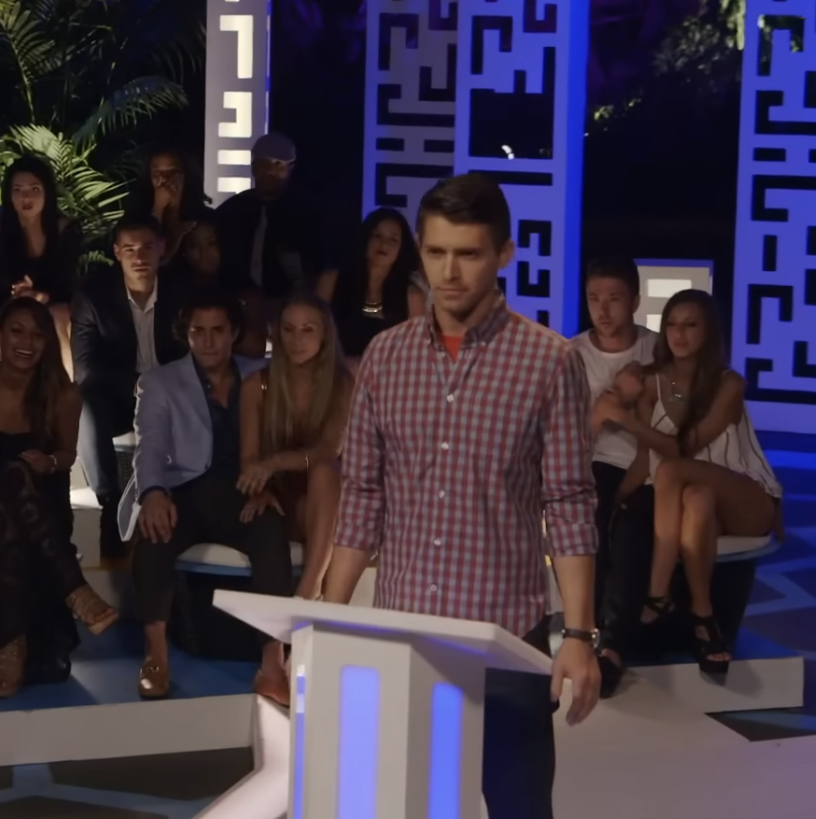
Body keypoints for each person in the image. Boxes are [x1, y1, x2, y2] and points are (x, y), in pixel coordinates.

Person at [321, 174, 599, 819]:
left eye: (469, 254)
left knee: (519, 808)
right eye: (436, 252)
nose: (449, 272)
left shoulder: (549, 362)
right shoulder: (385, 357)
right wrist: (332, 617)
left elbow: (569, 503)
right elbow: (362, 495)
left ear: (503, 254)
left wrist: (580, 634)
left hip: (505, 639)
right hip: (404, 638)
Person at [0, 298, 119, 697]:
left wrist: (49, 462)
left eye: (37, 335)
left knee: (17, 497)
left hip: (41, 498)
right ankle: (74, 589)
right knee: (8, 495)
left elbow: (67, 455)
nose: (27, 343)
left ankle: (11, 646)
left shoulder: (63, 395)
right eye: (17, 331)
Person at [597, 289, 783, 677]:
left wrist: (623, 419)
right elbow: (645, 459)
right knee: (695, 498)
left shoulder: (729, 383)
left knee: (671, 471)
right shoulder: (652, 383)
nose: (678, 334)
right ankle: (703, 617)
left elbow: (683, 448)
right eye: (672, 325)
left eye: (690, 325)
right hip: (697, 497)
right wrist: (615, 503)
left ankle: (658, 593)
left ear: (708, 331)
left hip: (746, 496)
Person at [120, 288, 292, 703]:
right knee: (154, 534)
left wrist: (268, 487)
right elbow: (149, 446)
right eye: (199, 331)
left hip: (243, 492)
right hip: (183, 490)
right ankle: (156, 655)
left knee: (271, 534)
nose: (209, 341)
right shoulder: (160, 382)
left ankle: (273, 665)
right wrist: (153, 492)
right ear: (187, 334)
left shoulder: (261, 374)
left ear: (234, 333)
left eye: (218, 330)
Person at [71, 214, 189, 559]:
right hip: (120, 395)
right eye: (130, 249)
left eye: (147, 248)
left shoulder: (182, 290)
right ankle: (109, 504)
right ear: (116, 252)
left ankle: (180, 500)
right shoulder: (94, 294)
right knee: (86, 403)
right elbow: (86, 368)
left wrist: (162, 387)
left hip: (172, 392)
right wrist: (140, 384)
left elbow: (196, 354)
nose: (139, 257)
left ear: (162, 249)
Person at [566, 257, 658, 696]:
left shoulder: (657, 350)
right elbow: (567, 437)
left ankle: (614, 645)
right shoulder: (571, 355)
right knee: (593, 515)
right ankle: (588, 630)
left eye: (614, 299)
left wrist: (623, 409)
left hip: (649, 463)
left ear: (635, 301)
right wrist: (607, 407)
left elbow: (675, 421)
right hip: (591, 462)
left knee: (634, 522)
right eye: (593, 299)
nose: (602, 310)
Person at [238, 295, 352, 601]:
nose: (296, 340)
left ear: (325, 334)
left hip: (329, 498)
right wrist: (259, 489)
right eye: (288, 330)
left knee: (325, 472)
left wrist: (274, 463)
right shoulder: (257, 384)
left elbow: (329, 450)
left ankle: (307, 591)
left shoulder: (342, 384)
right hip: (279, 499)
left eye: (307, 330)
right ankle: (312, 596)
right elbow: (249, 458)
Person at [0, 155, 82, 372]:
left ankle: (67, 383)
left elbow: (67, 279)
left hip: (58, 301)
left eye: (34, 189)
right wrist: (24, 292)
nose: (26, 197)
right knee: (12, 317)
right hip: (13, 299)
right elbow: (5, 281)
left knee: (59, 314)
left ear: (47, 192)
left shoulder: (66, 230)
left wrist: (42, 296)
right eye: (18, 190)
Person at [212, 132, 325, 302]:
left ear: (291, 167)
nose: (270, 170)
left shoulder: (308, 215)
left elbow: (319, 270)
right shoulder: (229, 212)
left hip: (290, 305)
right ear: (253, 166)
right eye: (264, 163)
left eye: (278, 164)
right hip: (234, 303)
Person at [316, 207, 427, 363]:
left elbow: (418, 352)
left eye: (393, 239)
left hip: (387, 375)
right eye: (377, 235)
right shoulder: (332, 280)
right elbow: (314, 334)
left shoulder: (412, 296)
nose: (384, 244)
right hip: (336, 372)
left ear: (401, 249)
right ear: (365, 238)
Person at [173, 212, 267, 359]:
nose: (203, 253)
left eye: (211, 243)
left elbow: (256, 347)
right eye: (193, 246)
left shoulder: (245, 292)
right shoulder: (175, 292)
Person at [128, 147, 205, 263]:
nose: (163, 179)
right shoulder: (136, 215)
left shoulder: (201, 217)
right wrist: (158, 209)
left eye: (172, 172)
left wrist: (175, 207)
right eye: (157, 173)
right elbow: (149, 261)